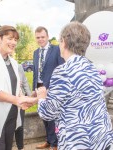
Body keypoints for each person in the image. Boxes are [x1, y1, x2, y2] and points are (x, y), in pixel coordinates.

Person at [25, 21, 113, 150]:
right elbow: (76, 95)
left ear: (64, 42)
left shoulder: (63, 71)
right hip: (102, 137)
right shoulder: (91, 67)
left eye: (60, 41)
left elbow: (47, 113)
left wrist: (42, 96)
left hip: (79, 141)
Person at [32, 26, 64, 150]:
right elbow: (35, 72)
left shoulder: (56, 49)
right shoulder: (36, 52)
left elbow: (61, 69)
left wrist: (55, 88)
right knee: (43, 115)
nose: (40, 39)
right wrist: (35, 89)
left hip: (52, 89)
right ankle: (48, 140)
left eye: (42, 37)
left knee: (52, 117)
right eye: (38, 37)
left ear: (48, 36)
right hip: (40, 88)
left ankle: (55, 144)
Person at [15, 64, 31, 150]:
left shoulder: (18, 66)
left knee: (20, 125)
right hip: (6, 100)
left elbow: (24, 81)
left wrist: (30, 98)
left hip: (20, 99)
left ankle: (20, 147)